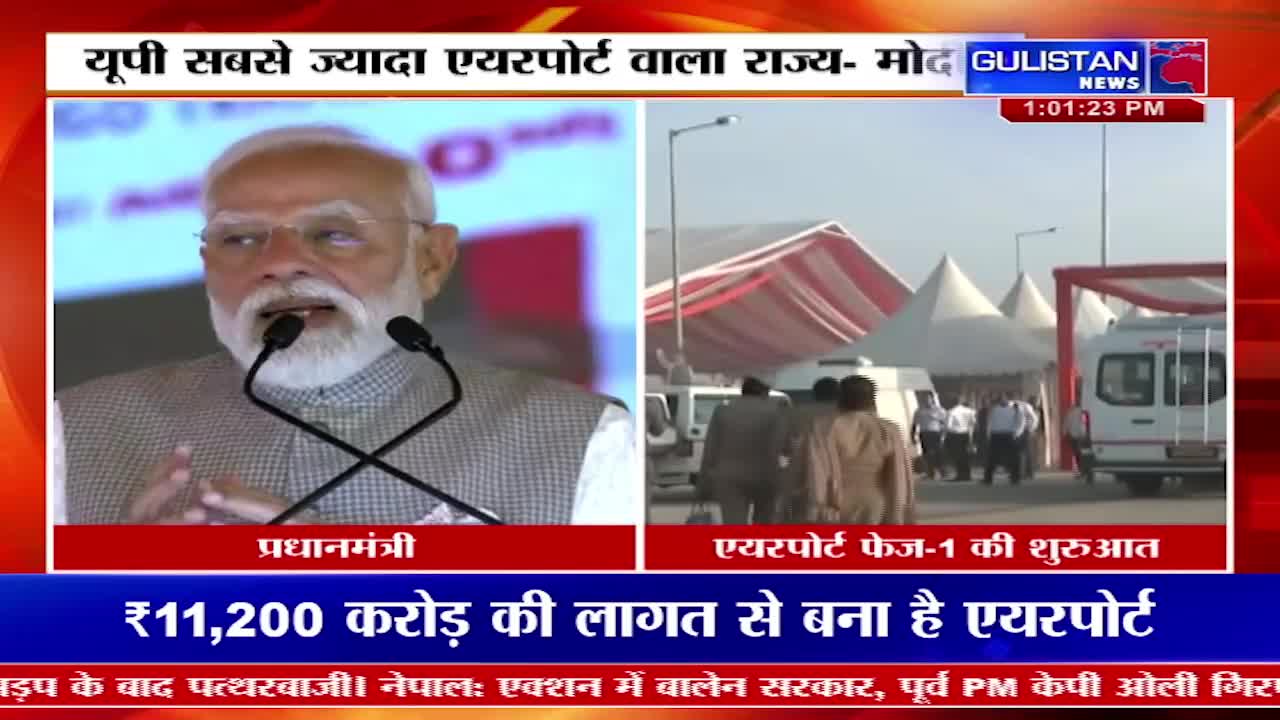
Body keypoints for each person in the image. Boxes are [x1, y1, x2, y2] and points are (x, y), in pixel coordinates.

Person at [53, 125, 637, 525]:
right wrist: (110, 597)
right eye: (240, 238)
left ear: (431, 261)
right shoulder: (67, 431)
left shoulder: (583, 440)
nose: (278, 263)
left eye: (333, 233)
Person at [803, 376, 914, 524]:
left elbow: (816, 470)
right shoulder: (888, 429)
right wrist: (898, 508)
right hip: (875, 502)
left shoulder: (822, 428)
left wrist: (816, 504)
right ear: (872, 398)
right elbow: (898, 474)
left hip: (834, 502)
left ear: (840, 397)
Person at [699, 377, 787, 524]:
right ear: (765, 393)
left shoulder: (722, 410)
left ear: (743, 391)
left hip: (730, 476)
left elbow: (710, 448)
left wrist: (702, 483)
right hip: (765, 475)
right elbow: (785, 446)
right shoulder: (776, 412)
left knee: (734, 523)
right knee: (764, 522)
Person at [775, 377, 838, 522]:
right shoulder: (849, 416)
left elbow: (783, 447)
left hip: (801, 476)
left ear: (814, 394)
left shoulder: (794, 414)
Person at [984, 394, 1026, 485]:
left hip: (1009, 434)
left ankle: (1015, 478)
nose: (1003, 401)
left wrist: (1017, 433)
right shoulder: (994, 409)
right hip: (996, 434)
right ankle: (988, 478)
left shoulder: (1015, 409)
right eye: (1001, 399)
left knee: (1014, 458)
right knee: (992, 458)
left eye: (1004, 399)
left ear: (1008, 400)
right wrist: (988, 434)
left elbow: (1021, 422)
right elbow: (990, 422)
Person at [911, 394, 947, 480]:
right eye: (925, 399)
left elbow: (944, 423)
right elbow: (914, 424)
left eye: (929, 399)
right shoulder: (919, 411)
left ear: (932, 400)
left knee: (938, 453)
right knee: (927, 454)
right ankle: (930, 472)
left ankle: (942, 471)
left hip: (935, 433)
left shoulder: (939, 410)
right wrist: (912, 435)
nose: (927, 401)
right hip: (924, 433)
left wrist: (943, 434)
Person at [944, 395, 976, 482]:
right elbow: (973, 423)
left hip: (955, 435)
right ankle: (967, 475)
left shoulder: (951, 412)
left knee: (958, 456)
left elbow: (948, 426)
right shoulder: (970, 411)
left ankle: (960, 475)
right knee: (966, 456)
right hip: (966, 434)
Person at [1065, 401, 1094, 484]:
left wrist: (1065, 432)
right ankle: (1088, 473)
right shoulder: (1086, 411)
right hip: (1084, 436)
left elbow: (1067, 423)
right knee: (1086, 454)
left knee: (1077, 455)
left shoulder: (1071, 412)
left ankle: (1082, 472)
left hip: (1074, 436)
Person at [1016, 395, 1041, 481]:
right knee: (1027, 453)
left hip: (1026, 431)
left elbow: (1035, 421)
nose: (1037, 403)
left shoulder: (1031, 410)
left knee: (1024, 452)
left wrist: (1030, 429)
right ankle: (1028, 473)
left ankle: (1026, 473)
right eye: (1036, 402)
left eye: (1037, 401)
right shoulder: (1030, 409)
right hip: (1027, 431)